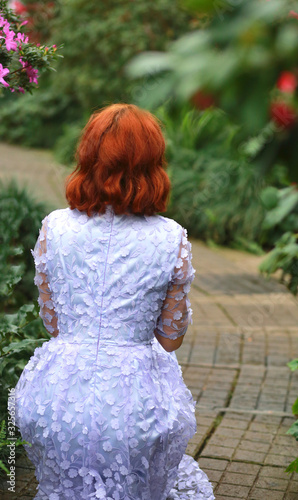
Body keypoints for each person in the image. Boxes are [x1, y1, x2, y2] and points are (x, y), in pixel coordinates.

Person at [14, 103, 215, 500]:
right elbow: (171, 338)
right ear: (152, 164)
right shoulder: (171, 237)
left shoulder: (54, 227)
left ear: (87, 158)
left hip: (56, 398)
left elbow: (54, 325)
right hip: (134, 403)